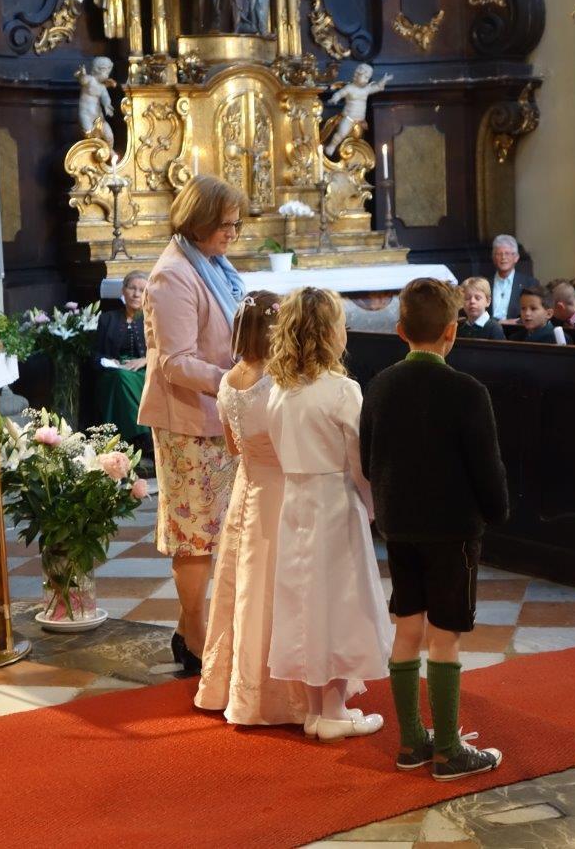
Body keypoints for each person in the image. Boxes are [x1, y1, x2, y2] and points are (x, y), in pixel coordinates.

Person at [359, 279, 506, 781]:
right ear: (452, 331)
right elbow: (487, 466)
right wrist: (496, 512)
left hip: (399, 527)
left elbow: (368, 459)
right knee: (445, 637)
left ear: (400, 330)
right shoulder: (467, 391)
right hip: (452, 531)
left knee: (407, 628)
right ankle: (447, 751)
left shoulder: (380, 385)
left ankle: (410, 743)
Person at [265, 287, 392, 741]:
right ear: (329, 333)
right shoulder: (342, 390)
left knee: (306, 604)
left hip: (295, 502)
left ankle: (317, 710)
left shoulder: (280, 389)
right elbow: (360, 464)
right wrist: (373, 507)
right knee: (339, 604)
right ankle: (335, 711)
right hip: (335, 502)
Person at [139, 174, 247, 674]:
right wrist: (234, 379)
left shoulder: (214, 266)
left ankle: (188, 633)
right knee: (195, 534)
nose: (232, 233)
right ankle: (197, 636)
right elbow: (175, 362)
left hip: (217, 418)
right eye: (225, 224)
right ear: (199, 220)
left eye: (237, 224)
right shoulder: (174, 275)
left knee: (214, 531)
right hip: (188, 422)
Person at [194, 290, 309, 725]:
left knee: (241, 586)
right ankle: (279, 694)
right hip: (278, 492)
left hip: (246, 490)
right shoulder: (279, 382)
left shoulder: (227, 382)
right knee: (273, 587)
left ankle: (230, 686)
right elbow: (289, 445)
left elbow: (231, 446)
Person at [93, 270, 151, 462]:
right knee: (119, 378)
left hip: (145, 370)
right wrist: (110, 362)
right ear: (123, 291)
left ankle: (137, 437)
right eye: (132, 288)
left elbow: (164, 351)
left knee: (127, 380)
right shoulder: (107, 318)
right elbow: (96, 354)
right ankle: (142, 436)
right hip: (113, 373)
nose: (136, 294)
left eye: (141, 290)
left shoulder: (153, 319)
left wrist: (145, 360)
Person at [323, 64, 392, 156]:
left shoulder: (366, 89)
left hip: (361, 121)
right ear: (357, 74)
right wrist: (335, 98)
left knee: (362, 138)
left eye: (368, 78)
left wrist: (383, 80)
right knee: (342, 133)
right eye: (365, 77)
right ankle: (331, 146)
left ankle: (357, 154)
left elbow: (377, 87)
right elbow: (339, 94)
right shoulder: (349, 88)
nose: (366, 80)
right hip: (349, 118)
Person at [488, 235, 538, 321]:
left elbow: (535, 313)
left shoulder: (529, 283)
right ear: (493, 258)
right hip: (489, 328)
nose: (503, 257)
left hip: (517, 328)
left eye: (507, 253)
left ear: (516, 257)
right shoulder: (486, 283)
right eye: (499, 254)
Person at [76, 57, 115, 144]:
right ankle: (94, 149)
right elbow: (83, 80)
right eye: (105, 72)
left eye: (108, 72)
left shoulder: (102, 87)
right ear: (97, 70)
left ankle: (109, 151)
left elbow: (105, 97)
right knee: (89, 133)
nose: (107, 76)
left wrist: (107, 105)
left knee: (109, 136)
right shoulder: (90, 80)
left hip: (98, 116)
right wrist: (82, 74)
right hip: (86, 114)